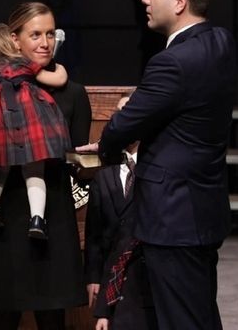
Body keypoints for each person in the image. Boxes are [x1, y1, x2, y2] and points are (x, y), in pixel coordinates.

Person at [78, 0, 237, 330]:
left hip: (173, 217)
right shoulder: (222, 42)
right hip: (201, 210)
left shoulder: (172, 63)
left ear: (180, 2)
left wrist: (106, 145)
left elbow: (123, 125)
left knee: (182, 321)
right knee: (199, 316)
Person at [0, 2, 91, 330]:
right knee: (2, 322)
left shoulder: (72, 93)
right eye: (35, 34)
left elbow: (76, 159)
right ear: (14, 39)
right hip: (2, 221)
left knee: (53, 321)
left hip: (52, 223)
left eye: (50, 34)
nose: (44, 42)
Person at [0, 23, 71, 239]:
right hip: (30, 122)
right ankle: (37, 219)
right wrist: (61, 68)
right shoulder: (24, 63)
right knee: (35, 170)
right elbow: (58, 79)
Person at [84, 98, 156, 330]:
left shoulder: (155, 170)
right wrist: (94, 277)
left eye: (129, 111)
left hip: (145, 277)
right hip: (111, 277)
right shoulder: (105, 177)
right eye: (118, 114)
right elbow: (94, 234)